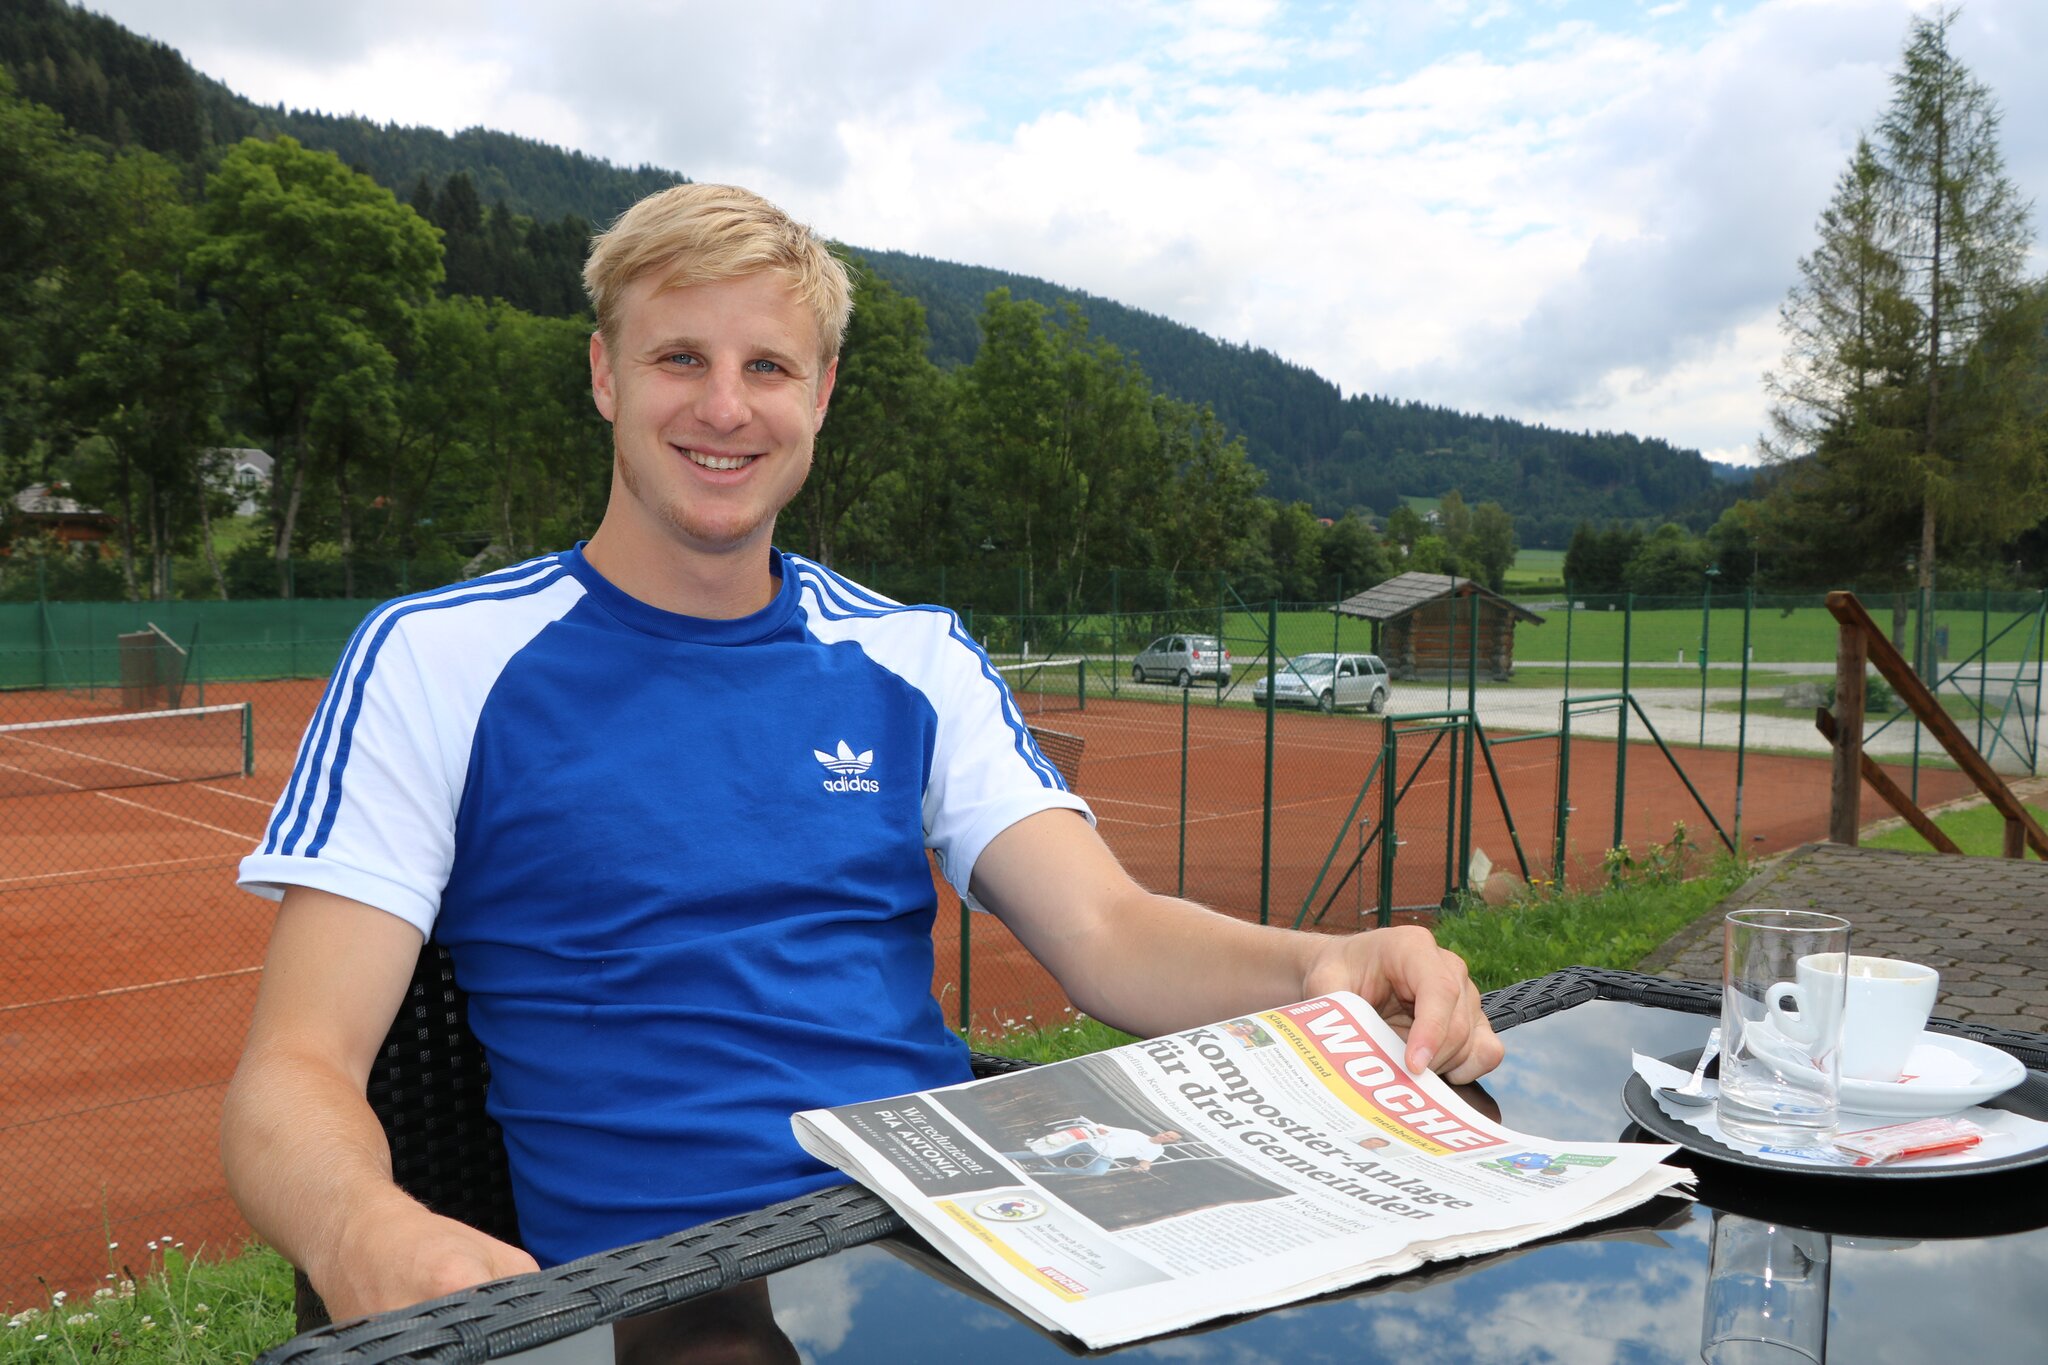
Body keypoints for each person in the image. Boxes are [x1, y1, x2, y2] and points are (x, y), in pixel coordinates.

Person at [220, 182, 1503, 1324]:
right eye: (679, 356)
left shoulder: (913, 654)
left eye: (768, 368)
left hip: (953, 1257)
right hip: (667, 1295)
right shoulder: (438, 656)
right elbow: (295, 1069)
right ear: (605, 375)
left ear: (820, 394)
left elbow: (1107, 933)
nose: (724, 408)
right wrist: (363, 1229)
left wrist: (1318, 964)